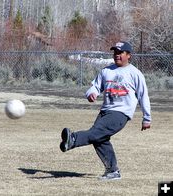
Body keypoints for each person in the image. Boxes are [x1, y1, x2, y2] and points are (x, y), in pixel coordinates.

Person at [60, 41, 151, 180]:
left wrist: (147, 117)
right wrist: (92, 93)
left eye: (120, 52)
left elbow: (143, 95)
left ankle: (73, 139)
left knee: (96, 133)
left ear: (128, 55)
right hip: (105, 112)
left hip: (121, 113)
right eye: (115, 52)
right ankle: (113, 171)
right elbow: (94, 87)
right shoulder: (106, 71)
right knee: (99, 138)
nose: (117, 55)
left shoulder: (135, 73)